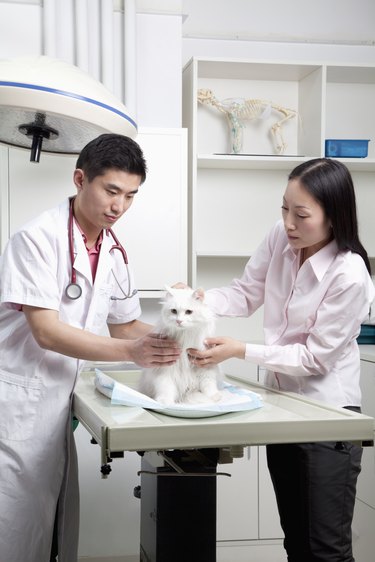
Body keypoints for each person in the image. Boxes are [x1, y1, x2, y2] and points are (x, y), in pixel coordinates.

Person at [0, 133, 181, 562]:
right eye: (111, 191)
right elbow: (46, 331)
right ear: (81, 179)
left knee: (52, 519)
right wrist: (134, 352)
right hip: (20, 400)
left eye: (131, 196)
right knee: (16, 523)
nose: (119, 206)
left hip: (63, 399)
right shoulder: (36, 239)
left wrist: (179, 333)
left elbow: (125, 325)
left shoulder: (113, 250)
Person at [186, 158, 375, 562]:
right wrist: (197, 299)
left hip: (328, 419)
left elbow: (314, 358)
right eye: (285, 208)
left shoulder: (350, 274)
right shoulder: (281, 238)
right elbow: (245, 292)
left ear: (333, 215)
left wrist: (240, 349)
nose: (289, 222)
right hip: (284, 412)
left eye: (301, 214)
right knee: (296, 543)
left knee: (326, 550)